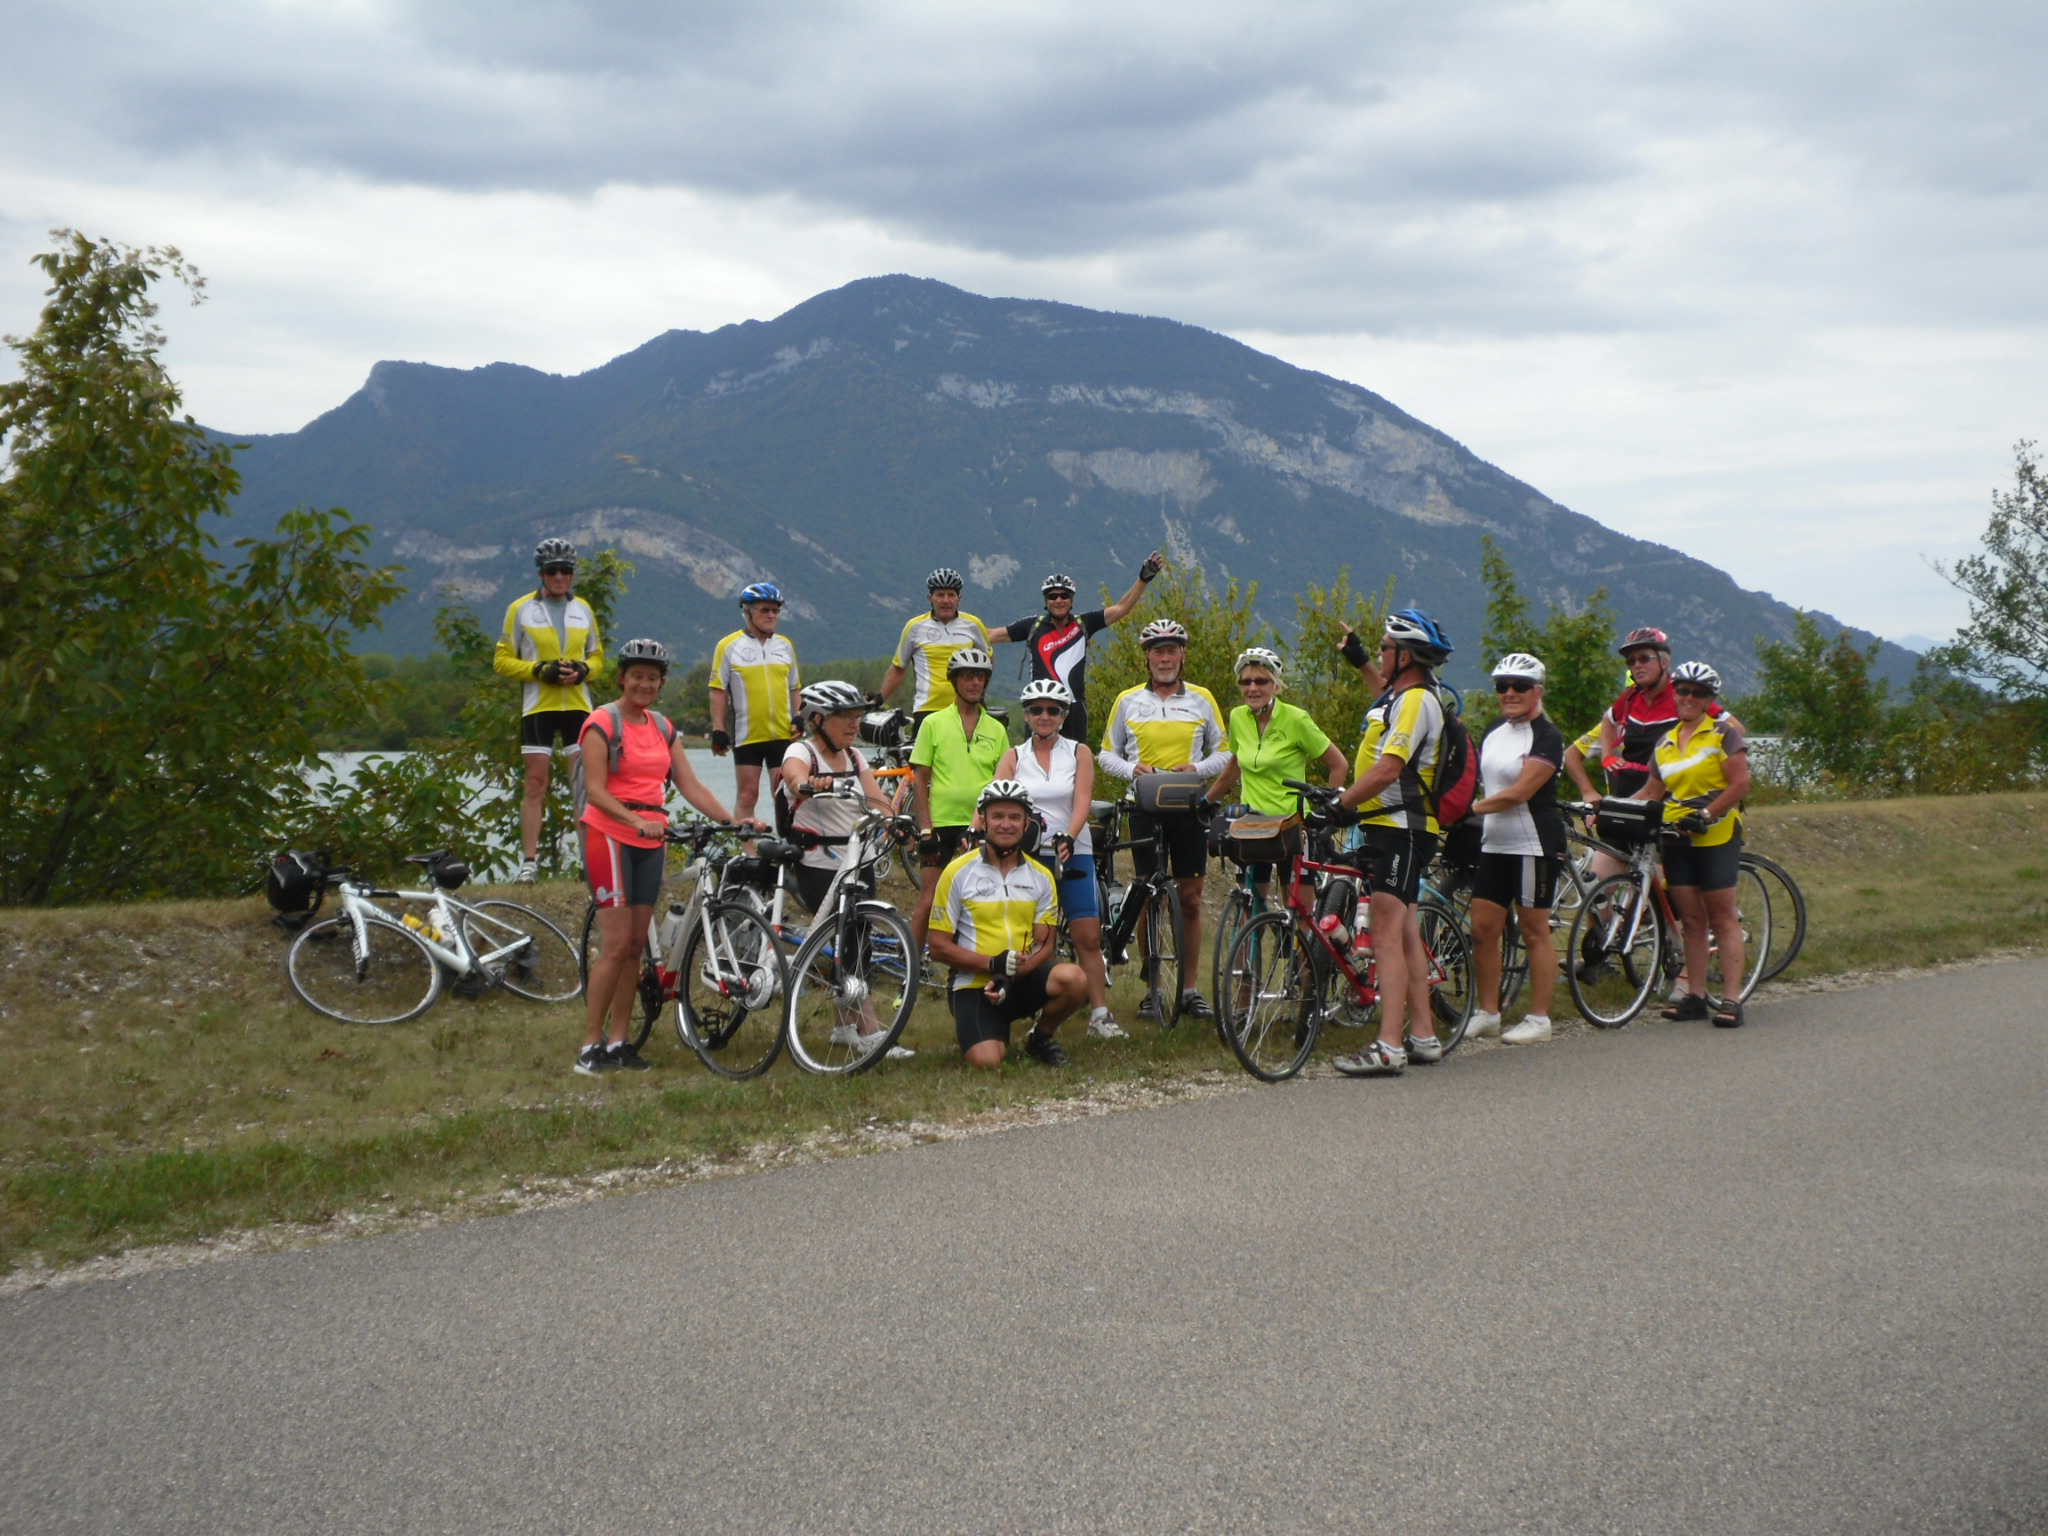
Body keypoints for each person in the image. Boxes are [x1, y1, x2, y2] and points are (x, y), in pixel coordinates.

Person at [576, 638, 753, 1075]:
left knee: (636, 946)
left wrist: (736, 821)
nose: (644, 684)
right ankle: (590, 1045)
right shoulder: (601, 722)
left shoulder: (662, 727)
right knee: (616, 945)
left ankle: (620, 1043)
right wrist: (635, 821)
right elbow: (596, 791)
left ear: (661, 684)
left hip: (651, 840)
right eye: (636, 675)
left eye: (653, 678)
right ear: (621, 677)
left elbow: (690, 786)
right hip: (610, 835)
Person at [1331, 607, 1455, 1077]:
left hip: (1401, 828)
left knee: (1384, 931)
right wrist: (1362, 659)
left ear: (1405, 656)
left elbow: (1388, 767)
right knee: (1404, 935)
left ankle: (1389, 1046)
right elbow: (1383, 695)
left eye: (1385, 648)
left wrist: (1342, 804)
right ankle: (1422, 1036)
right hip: (1392, 826)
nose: (1381, 654)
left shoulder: (1418, 701)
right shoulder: (1403, 696)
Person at [1098, 618, 1232, 1020]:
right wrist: (1132, 771)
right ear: (1147, 658)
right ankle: (1153, 989)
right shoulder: (1127, 701)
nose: (1165, 658)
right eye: (1158, 651)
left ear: (1182, 655)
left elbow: (1225, 754)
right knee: (1148, 897)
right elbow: (1106, 754)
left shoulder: (1202, 699)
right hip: (1143, 806)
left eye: (1172, 650)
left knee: (1189, 899)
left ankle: (1188, 989)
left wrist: (1197, 768)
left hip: (1189, 807)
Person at [781, 679, 914, 1059]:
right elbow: (793, 775)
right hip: (818, 863)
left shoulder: (855, 758)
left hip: (858, 860)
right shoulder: (802, 750)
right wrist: (807, 784)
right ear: (819, 719)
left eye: (858, 717)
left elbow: (877, 802)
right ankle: (871, 1031)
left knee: (861, 942)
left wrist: (898, 825)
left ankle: (843, 1027)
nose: (855, 725)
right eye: (846, 718)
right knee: (851, 941)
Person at [927, 780, 1089, 1068]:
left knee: (1074, 979)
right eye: (997, 816)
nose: (1006, 824)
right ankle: (991, 1028)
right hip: (972, 984)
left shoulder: (1041, 876)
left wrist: (1011, 974)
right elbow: (938, 947)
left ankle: (1040, 1038)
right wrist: (992, 965)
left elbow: (1046, 946)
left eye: (1014, 817)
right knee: (988, 1062)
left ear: (1027, 824)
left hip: (1019, 980)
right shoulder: (957, 872)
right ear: (984, 821)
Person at [996, 679, 1124, 1039]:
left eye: (1053, 710)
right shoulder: (1014, 756)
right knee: (1032, 936)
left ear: (1064, 715)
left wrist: (1070, 831)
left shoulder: (1078, 752)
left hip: (1074, 849)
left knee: (1087, 935)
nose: (1044, 716)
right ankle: (1027, 1003)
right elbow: (995, 799)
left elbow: (1082, 797)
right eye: (1037, 709)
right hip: (1029, 855)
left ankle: (1100, 1014)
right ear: (1027, 715)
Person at [1635, 661, 1752, 1028]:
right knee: (1691, 920)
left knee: (1722, 917)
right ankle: (1695, 997)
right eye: (1682, 690)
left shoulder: (1722, 734)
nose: (1688, 697)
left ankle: (1731, 1000)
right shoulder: (1666, 742)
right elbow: (1651, 792)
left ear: (1708, 700)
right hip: (1676, 835)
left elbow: (1739, 784)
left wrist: (1707, 815)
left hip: (1714, 834)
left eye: (1697, 693)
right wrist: (1601, 807)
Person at [1464, 652, 1568, 1046]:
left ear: (1537, 691)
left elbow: (1522, 791)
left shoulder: (1547, 737)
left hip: (1533, 844)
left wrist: (1468, 810)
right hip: (1495, 842)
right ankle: (1489, 1013)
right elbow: (1480, 780)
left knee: (1534, 930)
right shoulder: (1494, 729)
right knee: (1483, 929)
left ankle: (1539, 1019)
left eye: (1519, 686)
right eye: (1502, 686)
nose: (1509, 693)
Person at [494, 538, 604, 883]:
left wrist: (584, 671)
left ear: (572, 575)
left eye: (566, 571)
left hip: (578, 707)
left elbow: (598, 657)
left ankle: (590, 861)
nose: (560, 576)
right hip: (538, 707)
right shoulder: (520, 610)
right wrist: (538, 670)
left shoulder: (583, 609)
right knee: (535, 784)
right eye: (553, 571)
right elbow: (501, 660)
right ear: (541, 573)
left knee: (583, 785)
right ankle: (529, 862)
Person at [1203, 646, 1350, 894]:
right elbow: (1236, 763)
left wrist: (1325, 814)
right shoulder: (1238, 717)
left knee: (1298, 912)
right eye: (1246, 681)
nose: (1252, 688)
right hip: (1251, 825)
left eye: (1261, 681)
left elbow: (1339, 765)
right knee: (1251, 905)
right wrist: (1206, 800)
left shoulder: (1296, 719)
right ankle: (1254, 931)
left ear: (1275, 685)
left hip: (1292, 827)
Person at [988, 554, 1162, 745]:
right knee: (1033, 762)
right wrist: (955, 621)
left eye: (1064, 596)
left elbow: (1121, 609)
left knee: (1075, 763)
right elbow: (990, 635)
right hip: (1040, 707)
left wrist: (1143, 579)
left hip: (1074, 708)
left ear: (1071, 600)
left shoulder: (1083, 623)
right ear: (1046, 601)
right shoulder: (1033, 626)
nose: (1059, 600)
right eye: (1052, 596)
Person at [907, 647, 1009, 958]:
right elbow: (920, 780)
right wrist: (925, 828)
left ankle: (977, 959)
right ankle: (911, 964)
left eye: (980, 676)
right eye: (968, 676)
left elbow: (1002, 781)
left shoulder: (996, 728)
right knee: (930, 898)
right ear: (955, 681)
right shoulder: (933, 724)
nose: (975, 682)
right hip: (941, 824)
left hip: (981, 825)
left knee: (983, 897)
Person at [709, 581, 800, 833]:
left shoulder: (784, 646)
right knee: (748, 796)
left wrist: (799, 717)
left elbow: (794, 687)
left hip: (782, 734)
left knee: (784, 795)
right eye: (764, 610)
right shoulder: (728, 646)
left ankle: (787, 852)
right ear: (747, 611)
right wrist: (718, 729)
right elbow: (718, 691)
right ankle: (745, 855)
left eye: (775, 610)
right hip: (747, 734)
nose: (771, 615)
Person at [880, 568, 991, 727]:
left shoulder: (973, 625)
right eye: (940, 595)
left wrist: (979, 692)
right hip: (927, 709)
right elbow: (898, 668)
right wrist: (880, 698)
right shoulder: (915, 627)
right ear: (929, 598)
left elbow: (987, 662)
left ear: (959, 598)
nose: (946, 600)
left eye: (951, 595)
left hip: (967, 708)